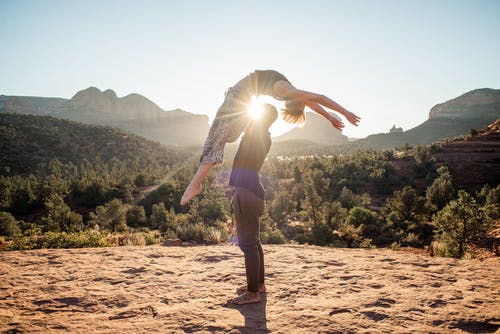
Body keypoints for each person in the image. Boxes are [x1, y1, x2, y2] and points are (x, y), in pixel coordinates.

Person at [181, 69, 360, 205]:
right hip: (240, 94)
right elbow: (319, 98)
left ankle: (196, 184)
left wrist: (330, 118)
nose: (286, 102)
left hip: (242, 96)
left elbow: (313, 103)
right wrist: (344, 112)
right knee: (219, 135)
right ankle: (196, 184)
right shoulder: (288, 91)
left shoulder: (292, 93)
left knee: (221, 135)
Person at [227, 103, 278, 305]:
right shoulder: (264, 135)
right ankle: (259, 285)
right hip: (253, 192)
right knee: (254, 242)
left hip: (246, 194)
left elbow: (236, 123)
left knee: (247, 244)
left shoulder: (255, 133)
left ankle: (252, 293)